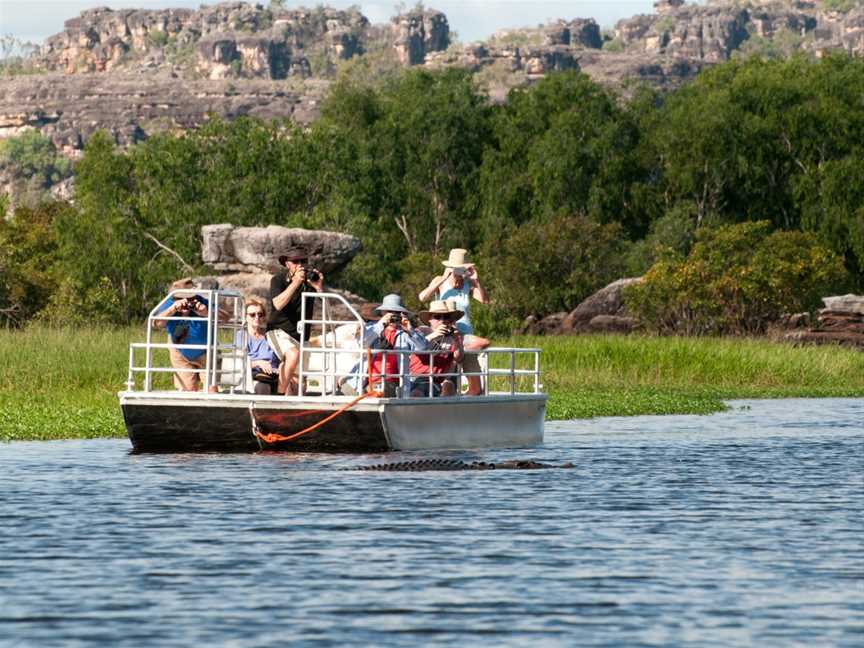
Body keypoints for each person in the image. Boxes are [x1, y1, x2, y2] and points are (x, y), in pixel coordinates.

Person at [418, 248, 489, 395]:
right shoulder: (440, 280)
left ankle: (464, 401)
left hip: (464, 334)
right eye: (457, 268)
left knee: (476, 388)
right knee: (449, 377)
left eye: (462, 268)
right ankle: (447, 393)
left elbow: (485, 300)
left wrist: (476, 280)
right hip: (446, 334)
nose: (460, 272)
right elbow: (422, 297)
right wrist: (444, 279)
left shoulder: (468, 283)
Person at [339, 294, 428, 398]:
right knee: (339, 397)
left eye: (397, 312)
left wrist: (410, 329)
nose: (393, 315)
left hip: (390, 383)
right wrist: (381, 324)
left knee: (377, 393)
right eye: (389, 312)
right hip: (361, 380)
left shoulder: (407, 333)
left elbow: (422, 348)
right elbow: (362, 343)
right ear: (382, 312)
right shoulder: (372, 328)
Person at [266, 246, 325, 396]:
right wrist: (295, 283)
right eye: (295, 261)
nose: (300, 265)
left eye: (303, 261)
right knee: (293, 354)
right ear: (287, 264)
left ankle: (290, 407)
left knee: (300, 386)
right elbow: (278, 304)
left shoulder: (309, 281)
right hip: (279, 330)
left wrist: (319, 288)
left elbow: (327, 309)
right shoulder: (278, 280)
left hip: (301, 336)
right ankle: (277, 397)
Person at [153, 279, 220, 392]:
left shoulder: (202, 301)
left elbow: (225, 317)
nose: (185, 302)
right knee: (188, 389)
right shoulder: (170, 302)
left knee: (212, 389)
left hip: (206, 350)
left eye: (188, 298)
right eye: (180, 298)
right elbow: (157, 323)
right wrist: (174, 309)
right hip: (180, 349)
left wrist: (206, 313)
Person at [409, 299, 465, 397]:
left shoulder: (453, 336)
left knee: (448, 386)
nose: (442, 320)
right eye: (438, 317)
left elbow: (459, 358)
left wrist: (457, 340)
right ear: (430, 319)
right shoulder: (421, 331)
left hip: (438, 381)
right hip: (416, 378)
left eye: (446, 317)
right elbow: (415, 346)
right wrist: (435, 335)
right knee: (417, 393)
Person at [239, 297, 281, 395]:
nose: (257, 317)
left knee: (290, 384)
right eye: (252, 315)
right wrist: (258, 363)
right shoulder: (241, 336)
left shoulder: (271, 335)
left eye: (260, 314)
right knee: (263, 387)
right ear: (245, 317)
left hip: (274, 375)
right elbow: (237, 363)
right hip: (251, 376)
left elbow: (281, 358)